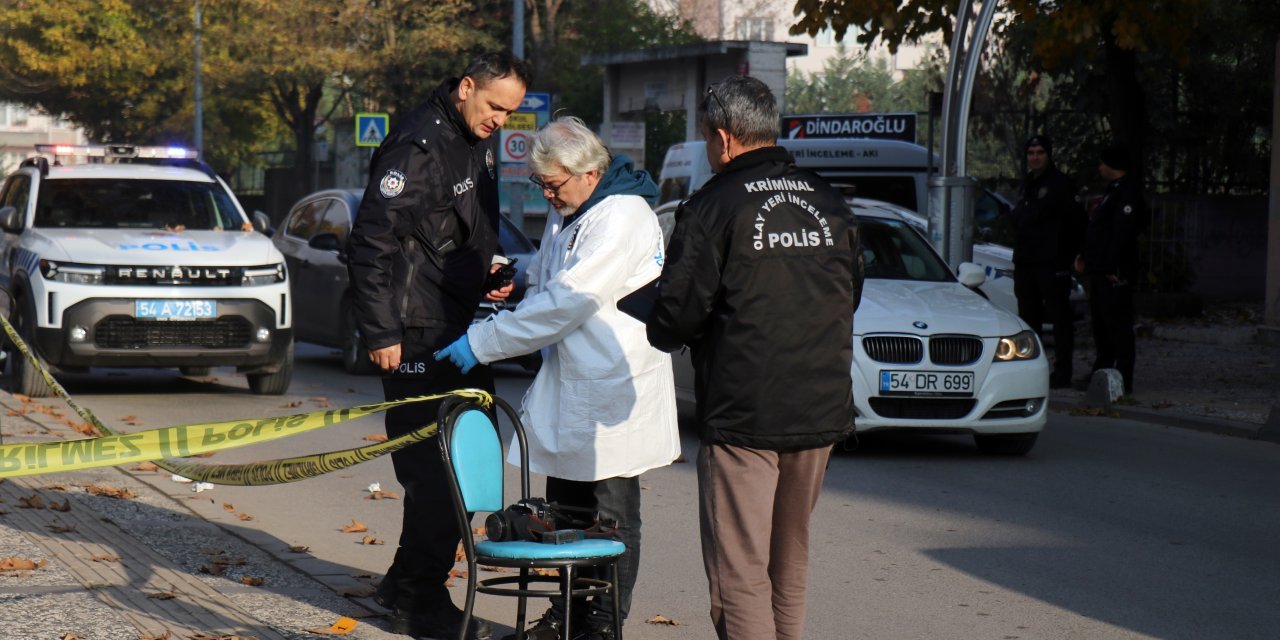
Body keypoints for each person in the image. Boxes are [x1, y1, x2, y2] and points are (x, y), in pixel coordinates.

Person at [436, 116, 680, 640]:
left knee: (611, 518)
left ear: (589, 172)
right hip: (573, 387)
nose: (547, 195)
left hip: (613, 388)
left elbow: (570, 300)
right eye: (541, 185)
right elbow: (554, 278)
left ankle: (602, 623)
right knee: (566, 514)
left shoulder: (622, 216)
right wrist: (518, 280)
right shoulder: (575, 207)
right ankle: (569, 615)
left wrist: (482, 341)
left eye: (553, 184)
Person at [645, 75, 863, 640]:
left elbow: (677, 317)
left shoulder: (713, 206)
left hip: (744, 413)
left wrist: (659, 318)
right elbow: (850, 293)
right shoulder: (828, 200)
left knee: (738, 572)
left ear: (722, 137)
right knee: (789, 559)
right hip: (819, 408)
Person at [346, 50, 529, 640]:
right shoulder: (417, 147)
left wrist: (488, 268)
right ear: (466, 87)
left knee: (464, 464)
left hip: (454, 325)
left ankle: (403, 582)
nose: (501, 119)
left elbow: (458, 227)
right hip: (415, 332)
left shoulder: (467, 136)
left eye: (511, 112)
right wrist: (380, 333)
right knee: (439, 474)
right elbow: (371, 243)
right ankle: (419, 603)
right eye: (495, 106)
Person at [1008, 134, 1086, 388]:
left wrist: (1069, 256)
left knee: (1059, 318)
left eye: (1040, 153)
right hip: (1027, 261)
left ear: (1048, 154)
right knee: (1028, 319)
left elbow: (1077, 223)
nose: (1035, 157)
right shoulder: (1027, 183)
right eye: (1031, 153)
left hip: (1052, 262)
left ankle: (1062, 372)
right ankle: (1032, 371)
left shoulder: (1061, 184)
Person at [1074, 144, 1148, 395]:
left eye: (1103, 163)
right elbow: (1101, 230)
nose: (1100, 167)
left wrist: (1113, 265)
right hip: (1101, 269)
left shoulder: (1127, 193)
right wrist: (1087, 256)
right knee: (1102, 325)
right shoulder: (1113, 191)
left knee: (1118, 325)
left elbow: (1122, 233)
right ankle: (1102, 374)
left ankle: (1123, 379)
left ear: (1113, 165)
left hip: (1114, 272)